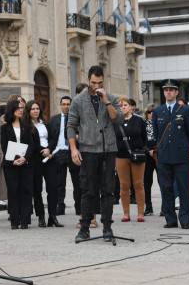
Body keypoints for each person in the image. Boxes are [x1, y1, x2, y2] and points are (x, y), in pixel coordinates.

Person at [69, 66, 120, 243]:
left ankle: (107, 227)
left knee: (107, 190)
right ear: (88, 80)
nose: (96, 85)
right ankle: (84, 228)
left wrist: (106, 101)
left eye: (99, 82)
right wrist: (74, 149)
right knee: (88, 190)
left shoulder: (111, 98)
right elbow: (71, 125)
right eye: (93, 82)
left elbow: (119, 119)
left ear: (103, 80)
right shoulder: (78, 100)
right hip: (88, 150)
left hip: (108, 150)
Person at [153, 79, 189, 230]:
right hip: (164, 156)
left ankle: (184, 219)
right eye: (165, 90)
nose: (168, 92)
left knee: (183, 187)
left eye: (171, 89)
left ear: (177, 92)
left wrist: (181, 146)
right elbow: (157, 135)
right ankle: (170, 219)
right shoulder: (158, 111)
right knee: (166, 188)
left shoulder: (185, 110)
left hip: (180, 155)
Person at [0, 98, 36, 230]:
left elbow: (31, 145)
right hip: (11, 164)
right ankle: (14, 221)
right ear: (12, 110)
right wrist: (13, 160)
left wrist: (24, 158)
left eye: (22, 108)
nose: (21, 110)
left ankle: (25, 220)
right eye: (18, 108)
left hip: (26, 164)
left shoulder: (26, 126)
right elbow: (4, 145)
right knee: (13, 191)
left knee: (26, 191)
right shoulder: (4, 128)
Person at [114, 97, 147, 223]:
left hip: (137, 155)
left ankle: (140, 213)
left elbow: (144, 138)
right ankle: (126, 213)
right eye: (120, 105)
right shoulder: (116, 121)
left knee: (138, 184)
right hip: (121, 156)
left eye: (125, 105)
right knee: (124, 185)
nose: (123, 107)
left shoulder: (139, 120)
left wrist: (140, 149)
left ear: (130, 107)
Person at [46, 96, 72, 226]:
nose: (66, 106)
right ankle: (60, 205)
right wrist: (50, 151)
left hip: (72, 151)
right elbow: (51, 136)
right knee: (59, 181)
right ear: (60, 105)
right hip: (59, 152)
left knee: (78, 181)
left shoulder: (75, 118)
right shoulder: (55, 119)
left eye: (68, 104)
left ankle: (80, 207)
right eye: (64, 104)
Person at [26, 100, 51, 227]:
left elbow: (50, 138)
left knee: (52, 188)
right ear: (28, 111)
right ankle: (41, 216)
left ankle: (52, 216)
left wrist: (50, 150)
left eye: (37, 108)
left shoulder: (44, 123)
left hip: (49, 157)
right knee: (37, 189)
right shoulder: (26, 125)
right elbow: (31, 143)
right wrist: (43, 150)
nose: (36, 111)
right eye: (33, 109)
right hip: (36, 159)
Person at [142, 104, 157, 216]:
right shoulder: (143, 124)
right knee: (147, 182)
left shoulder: (160, 123)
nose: (151, 114)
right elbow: (141, 139)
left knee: (163, 181)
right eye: (149, 112)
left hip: (158, 153)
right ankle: (148, 206)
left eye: (153, 112)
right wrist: (148, 150)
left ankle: (165, 207)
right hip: (147, 154)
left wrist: (155, 150)